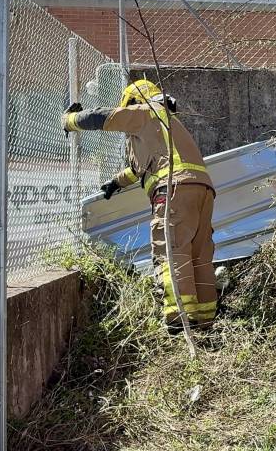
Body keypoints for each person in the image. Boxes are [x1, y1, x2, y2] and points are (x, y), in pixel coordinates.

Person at [63, 79, 218, 330]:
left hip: (173, 189)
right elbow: (140, 169)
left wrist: (70, 121)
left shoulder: (144, 112)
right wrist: (116, 182)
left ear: (134, 102)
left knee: (171, 250)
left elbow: (101, 117)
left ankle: (180, 321)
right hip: (202, 191)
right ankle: (205, 320)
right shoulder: (166, 124)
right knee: (199, 255)